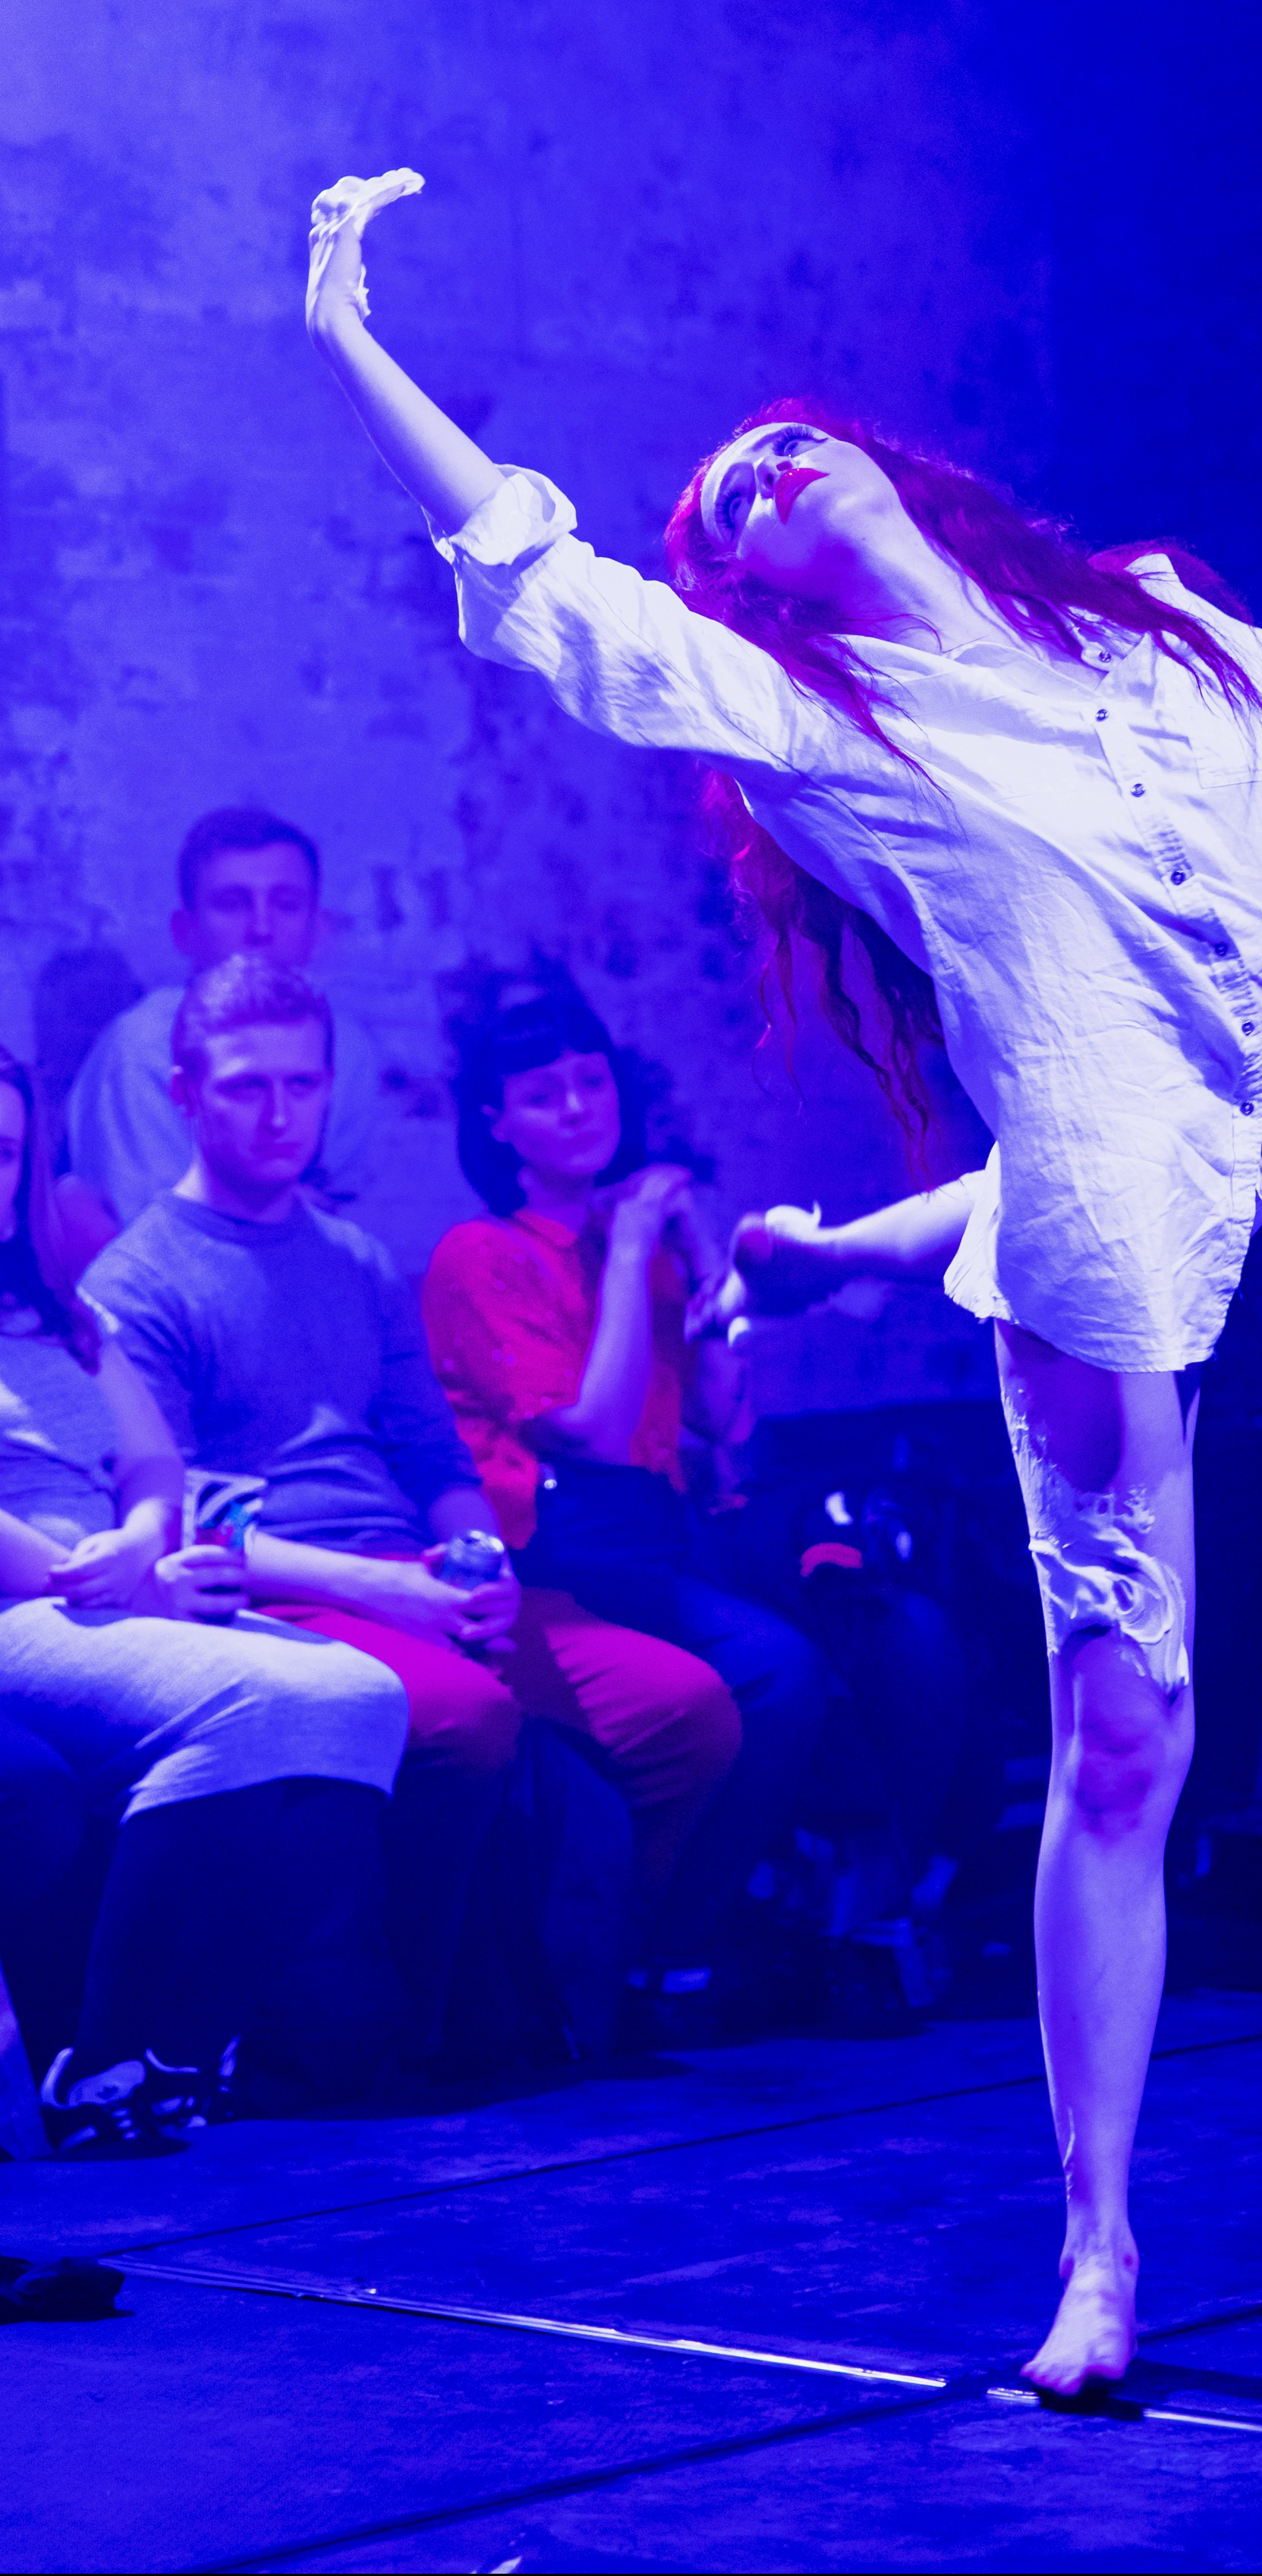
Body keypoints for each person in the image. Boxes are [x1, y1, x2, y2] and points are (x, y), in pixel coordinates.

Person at [306, 166, 1262, 2389]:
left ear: (872, 458)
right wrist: (348, 335)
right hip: (1090, 1186)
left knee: (1029, 1272)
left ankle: (840, 1256)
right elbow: (551, 589)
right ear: (757, 586)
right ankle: (1096, 2253)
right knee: (1125, 1733)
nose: (763, 473)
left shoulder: (1146, 621)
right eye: (728, 502)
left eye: (777, 441)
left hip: (1242, 1141)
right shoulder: (819, 727)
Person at [82, 954, 742, 2055]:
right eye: (247, 1086)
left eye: (302, 1083)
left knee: (691, 1711)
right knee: (466, 1716)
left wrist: (471, 1560)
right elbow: (188, 1512)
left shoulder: (353, 1257)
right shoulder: (135, 1280)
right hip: (285, 1592)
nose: (279, 1112)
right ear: (185, 1096)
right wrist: (386, 1587)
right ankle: (417, 2036)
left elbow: (433, 1453)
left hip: (416, 1574)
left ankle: (559, 2000)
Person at [420, 969, 971, 2033]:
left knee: (905, 1632)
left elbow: (723, 1417)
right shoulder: (481, 1254)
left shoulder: (643, 1241)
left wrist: (710, 1264)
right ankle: (664, 1942)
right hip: (561, 1548)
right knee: (777, 1668)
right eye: (545, 1094)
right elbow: (591, 1428)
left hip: (667, 1532)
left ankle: (861, 1911)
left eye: (593, 1084)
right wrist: (627, 1253)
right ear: (497, 1123)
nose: (579, 1109)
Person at [0, 1044, 410, 2153]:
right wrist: (109, 1572)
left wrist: (140, 1542)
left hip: (112, 1581)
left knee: (363, 1695)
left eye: (3, 1154)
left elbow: (149, 1467)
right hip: (23, 1603)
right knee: (239, 1704)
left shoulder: (61, 1314)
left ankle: (185, 2051)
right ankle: (98, 2061)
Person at [66, 804, 383, 1239]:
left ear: (315, 929)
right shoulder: (143, 1046)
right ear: (185, 932)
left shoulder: (348, 1049)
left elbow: (334, 1219)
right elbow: (156, 1231)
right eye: (233, 904)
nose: (261, 928)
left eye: (286, 904)